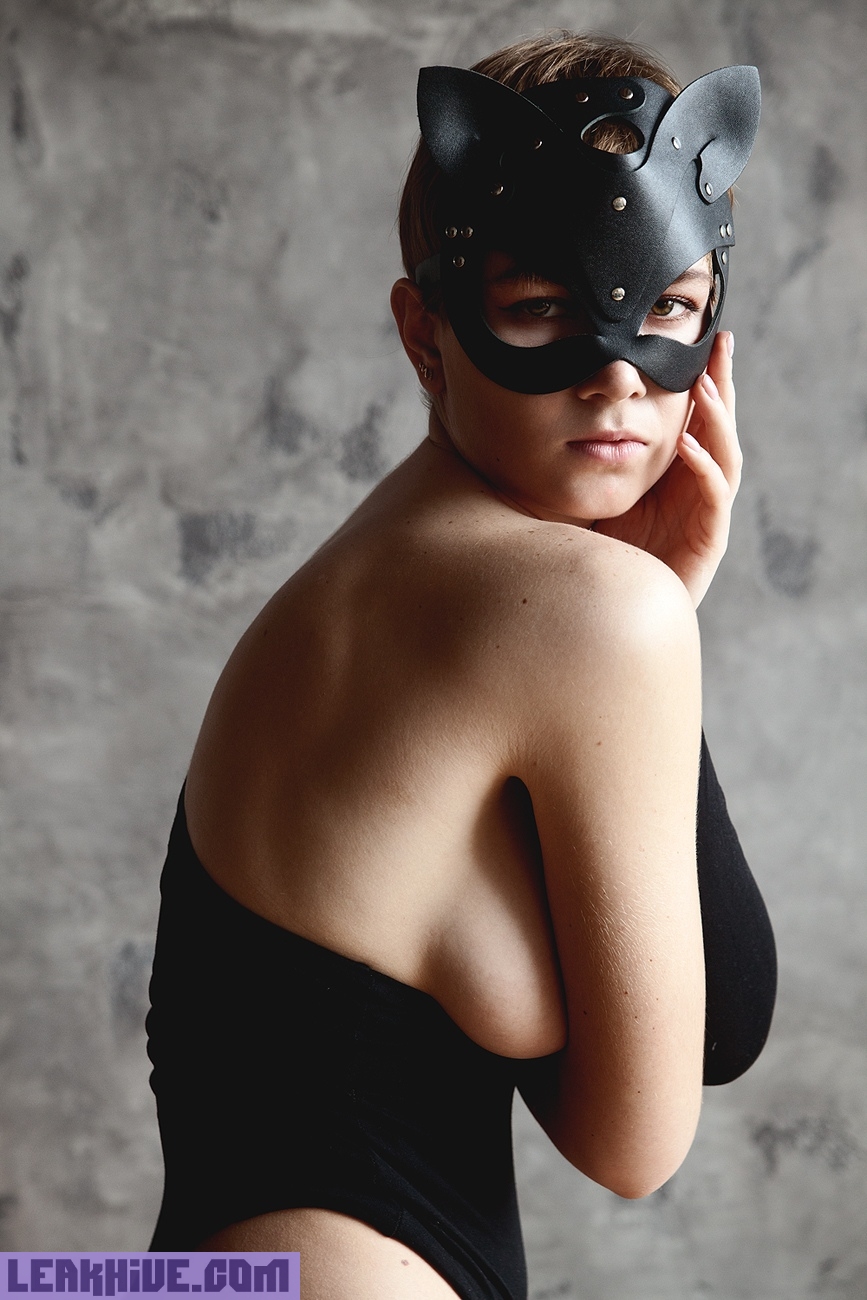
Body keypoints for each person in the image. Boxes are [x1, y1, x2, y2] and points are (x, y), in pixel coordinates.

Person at [146, 30, 776, 1300]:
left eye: (666, 307)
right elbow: (634, 1144)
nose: (616, 374)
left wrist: (652, 605)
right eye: (541, 306)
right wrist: (651, 616)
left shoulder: (369, 576)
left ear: (713, 319)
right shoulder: (592, 619)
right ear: (424, 331)